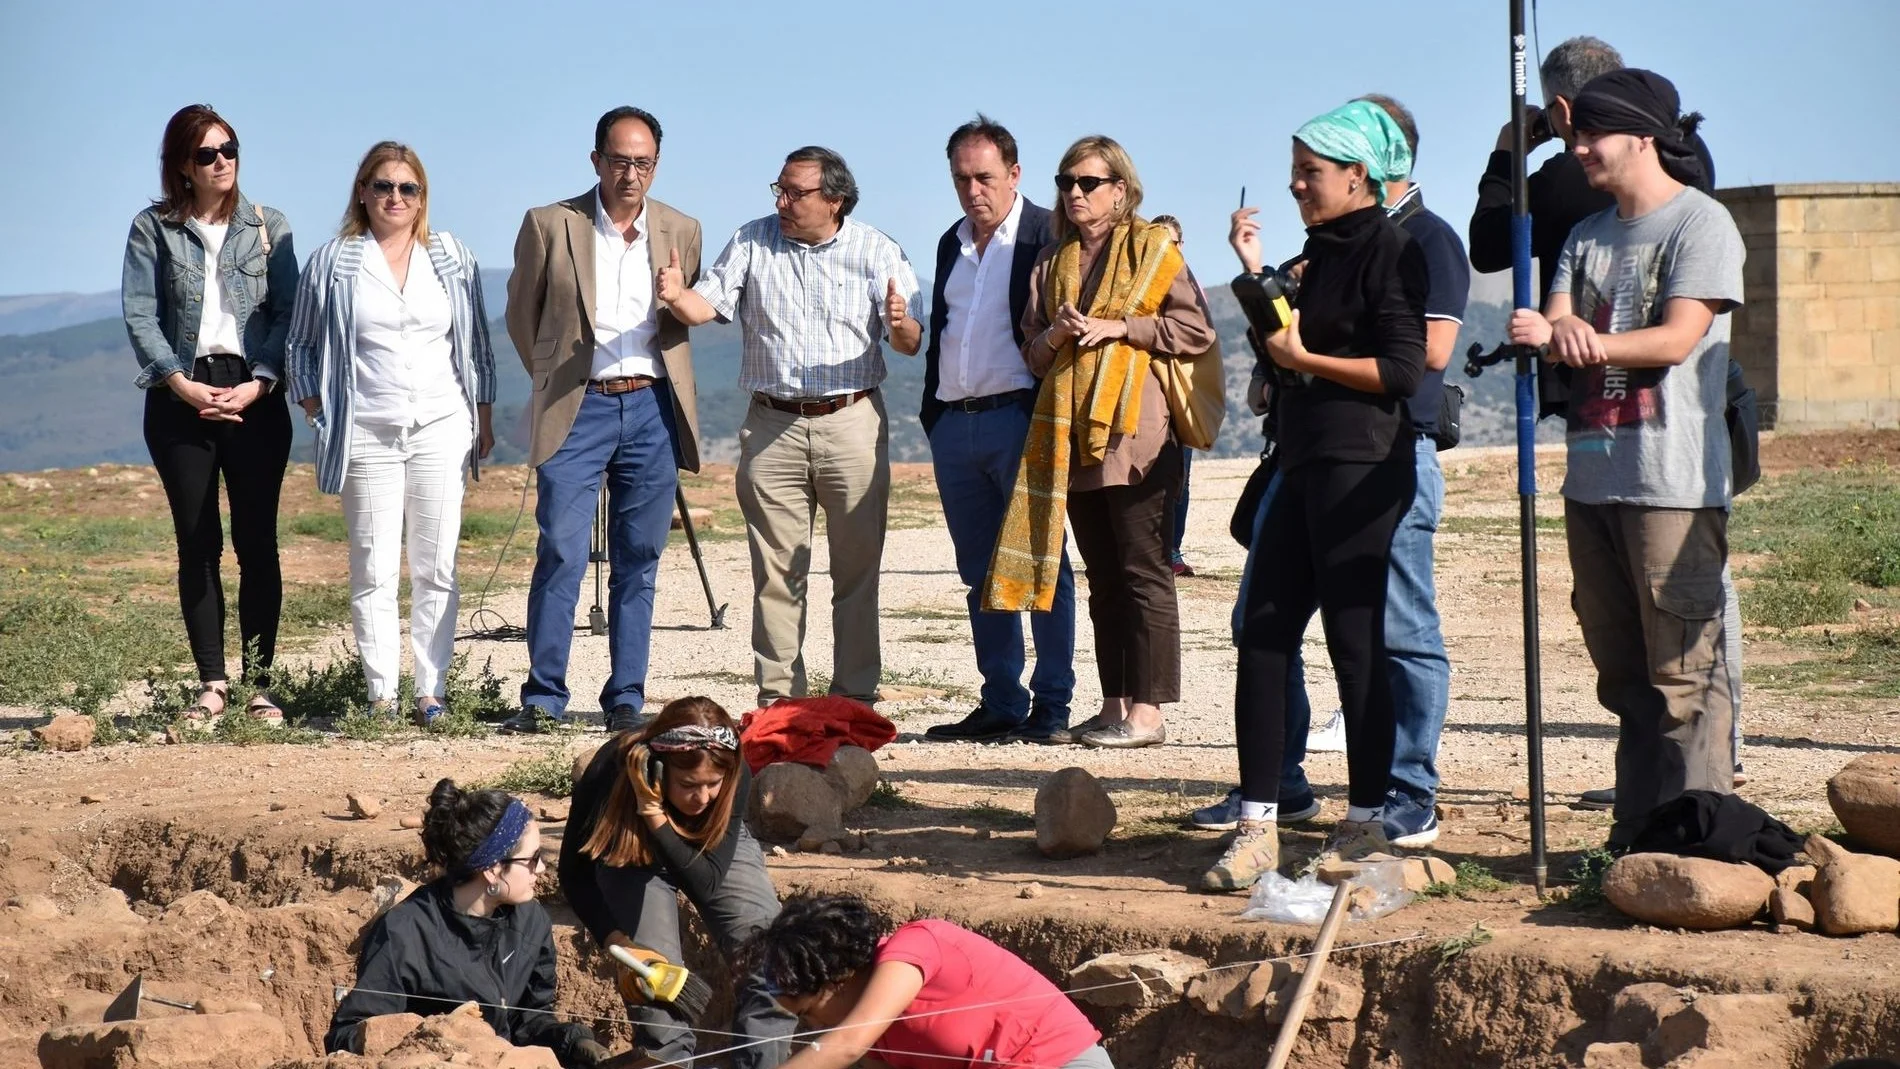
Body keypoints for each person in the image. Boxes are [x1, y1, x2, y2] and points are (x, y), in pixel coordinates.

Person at [1470, 37, 1746, 808]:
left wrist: (1579, 339)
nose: (1579, 148)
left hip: (1672, 482)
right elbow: (1549, 317)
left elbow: (1676, 336)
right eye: (1575, 132)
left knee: (1684, 673)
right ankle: (1637, 829)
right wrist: (1560, 331)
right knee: (1622, 676)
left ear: (1642, 138)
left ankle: (1702, 836)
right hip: (1592, 478)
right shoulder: (1588, 234)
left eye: (1594, 135)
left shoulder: (1703, 225)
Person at [1204, 100, 1428, 892]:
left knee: (1355, 643)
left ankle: (1367, 820)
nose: (1297, 184)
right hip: (1303, 459)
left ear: (1357, 176)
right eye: (1294, 170)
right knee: (1263, 631)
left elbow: (1402, 372)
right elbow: (1292, 345)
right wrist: (1255, 280)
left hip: (1363, 464)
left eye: (1312, 172)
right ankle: (1258, 824)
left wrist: (1305, 356)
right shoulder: (1318, 251)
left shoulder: (1392, 250)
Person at [657, 148, 923, 706]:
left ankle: (854, 700)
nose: (781, 202)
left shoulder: (877, 250)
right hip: (772, 425)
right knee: (777, 576)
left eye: (794, 193)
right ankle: (781, 704)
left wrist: (899, 325)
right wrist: (677, 295)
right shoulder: (753, 240)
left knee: (856, 573)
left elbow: (908, 341)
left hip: (850, 421)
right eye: (777, 189)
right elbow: (704, 307)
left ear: (835, 200)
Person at [986, 136, 1218, 751]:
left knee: (1145, 572)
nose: (1075, 193)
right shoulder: (1051, 262)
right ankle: (1115, 704)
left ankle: (1149, 712)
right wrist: (1059, 333)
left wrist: (1122, 327)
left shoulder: (1153, 250)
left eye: (1089, 182)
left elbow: (1195, 330)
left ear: (1121, 188)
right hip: (1071, 435)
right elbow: (1033, 356)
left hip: (1138, 435)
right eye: (1067, 182)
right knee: (1103, 578)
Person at [501, 106, 705, 736]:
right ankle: (543, 696)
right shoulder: (550, 223)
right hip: (577, 404)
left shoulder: (682, 230)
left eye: (642, 163)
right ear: (596, 161)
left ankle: (625, 698)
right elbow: (520, 314)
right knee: (561, 548)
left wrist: (675, 294)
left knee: (639, 557)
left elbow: (687, 313)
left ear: (657, 165)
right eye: (619, 161)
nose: (630, 174)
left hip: (651, 406)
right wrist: (550, 379)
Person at [286, 142, 495, 724]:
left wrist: (485, 417)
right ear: (362, 191)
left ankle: (432, 692)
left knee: (437, 566)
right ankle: (382, 694)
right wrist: (316, 410)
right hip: (366, 431)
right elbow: (300, 345)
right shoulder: (334, 261)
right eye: (383, 186)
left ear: (423, 197)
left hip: (441, 424)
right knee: (373, 566)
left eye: (409, 188)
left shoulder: (451, 256)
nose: (395, 198)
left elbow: (475, 343)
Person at [122, 104, 297, 725]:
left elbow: (285, 313)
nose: (222, 162)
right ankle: (212, 683)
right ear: (181, 166)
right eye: (207, 154)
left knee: (257, 542)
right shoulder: (153, 229)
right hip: (180, 397)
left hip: (254, 394)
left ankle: (262, 686)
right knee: (197, 542)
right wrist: (180, 385)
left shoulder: (267, 224)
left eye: (230, 149)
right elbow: (140, 314)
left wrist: (261, 382)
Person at [917, 116, 1076, 746]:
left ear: (1014, 174)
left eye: (984, 176)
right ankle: (1002, 700)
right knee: (979, 569)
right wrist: (933, 416)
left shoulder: (1045, 234)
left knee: (1042, 563)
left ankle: (1053, 704)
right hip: (956, 422)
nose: (973, 190)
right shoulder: (949, 242)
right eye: (961, 178)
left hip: (1021, 417)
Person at [558, 697, 792, 1069]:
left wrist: (653, 813)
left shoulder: (735, 772)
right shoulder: (609, 772)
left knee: (774, 962)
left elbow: (706, 883)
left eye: (713, 784)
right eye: (687, 784)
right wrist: (617, 942)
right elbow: (572, 874)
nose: (702, 798)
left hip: (713, 852)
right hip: (631, 856)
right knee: (656, 985)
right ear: (655, 769)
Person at [327, 779, 610, 1066]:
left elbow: (528, 1020)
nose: (541, 867)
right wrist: (439, 1039)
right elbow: (347, 1035)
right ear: (492, 870)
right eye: (533, 858)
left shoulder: (531, 921)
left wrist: (572, 1041)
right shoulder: (405, 932)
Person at [741, 893, 1113, 1069]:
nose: (813, 1027)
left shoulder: (916, 947)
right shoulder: (877, 1037)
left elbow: (846, 1045)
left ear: (839, 978)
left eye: (808, 1013)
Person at [1150, 214, 1200, 579]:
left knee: (1180, 479)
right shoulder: (1139, 289)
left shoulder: (1193, 291)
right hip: (1148, 398)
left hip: (1183, 395)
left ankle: (1172, 550)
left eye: (1173, 243)